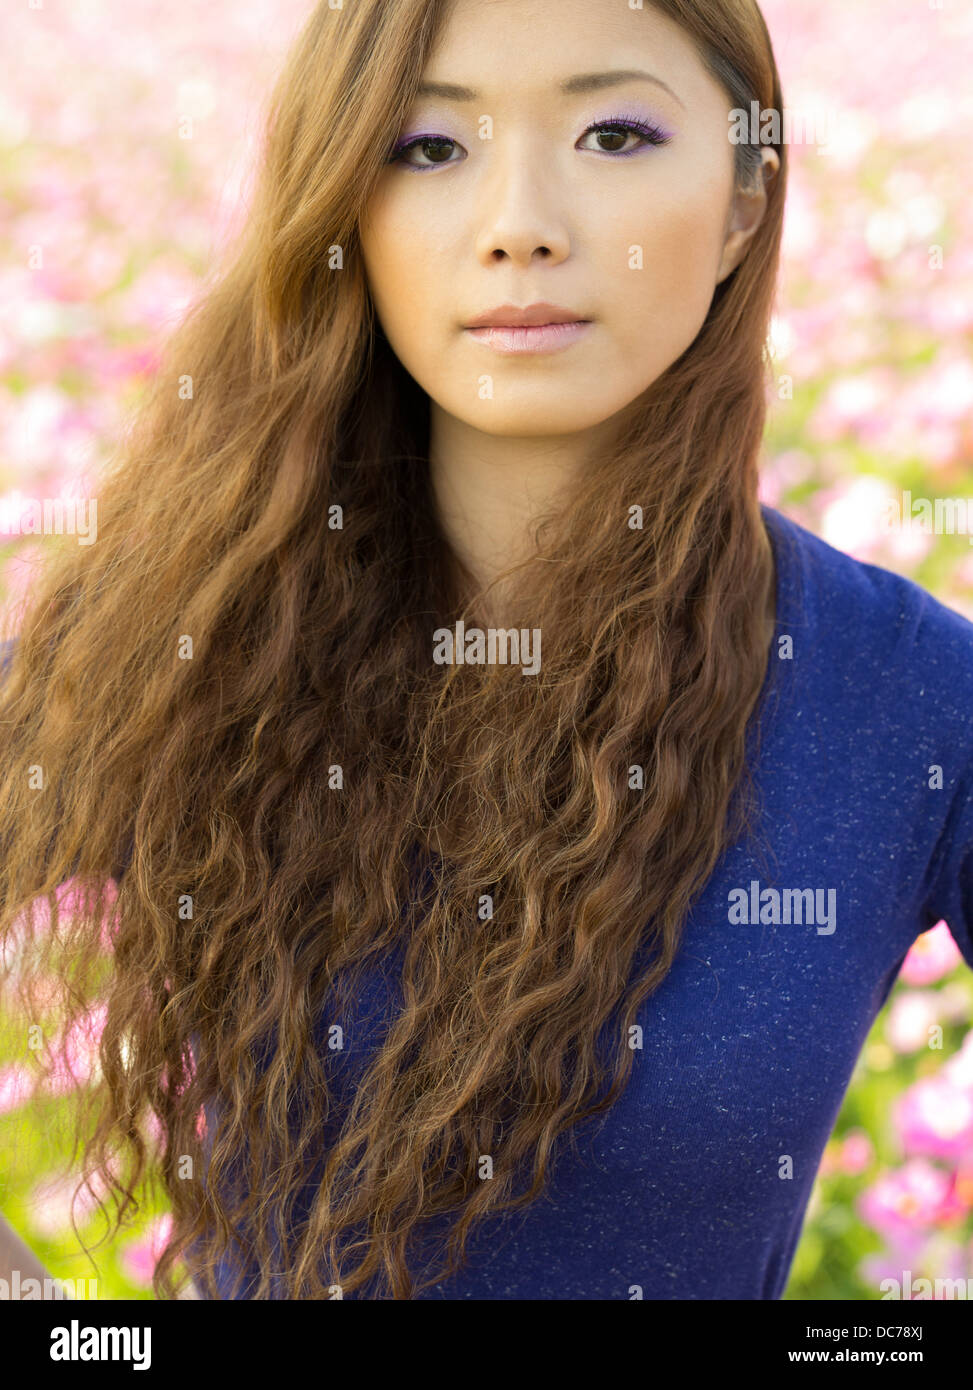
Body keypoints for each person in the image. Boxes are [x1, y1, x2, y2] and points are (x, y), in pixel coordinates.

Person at [1, 0, 971, 1301]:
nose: (521, 221)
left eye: (614, 132)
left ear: (745, 198)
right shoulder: (174, 623)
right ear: (343, 205)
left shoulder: (906, 699)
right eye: (428, 146)